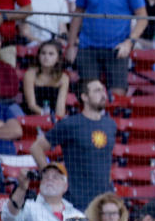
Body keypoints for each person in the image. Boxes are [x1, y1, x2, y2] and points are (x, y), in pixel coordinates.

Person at [66, 0, 148, 97]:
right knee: (89, 93)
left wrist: (129, 42)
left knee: (118, 94)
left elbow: (143, 18)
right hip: (88, 47)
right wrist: (71, 45)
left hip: (117, 48)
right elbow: (77, 15)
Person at [30, 78, 115, 211]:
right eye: (97, 91)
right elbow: (36, 148)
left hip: (104, 201)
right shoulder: (70, 124)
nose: (103, 94)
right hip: (77, 202)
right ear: (84, 97)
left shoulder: (111, 125)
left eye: (103, 90)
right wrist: (50, 175)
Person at [2, 163, 84, 221]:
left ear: (65, 186)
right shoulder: (29, 207)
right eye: (45, 177)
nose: (49, 179)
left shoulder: (76, 214)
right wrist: (21, 188)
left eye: (55, 177)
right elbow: (9, 217)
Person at [22, 41, 69, 119]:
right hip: (32, 116)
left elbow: (60, 108)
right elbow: (31, 105)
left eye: (51, 54)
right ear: (39, 56)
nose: (46, 57)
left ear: (58, 58)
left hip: (54, 118)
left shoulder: (64, 78)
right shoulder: (30, 74)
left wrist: (56, 118)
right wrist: (48, 116)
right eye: (43, 53)